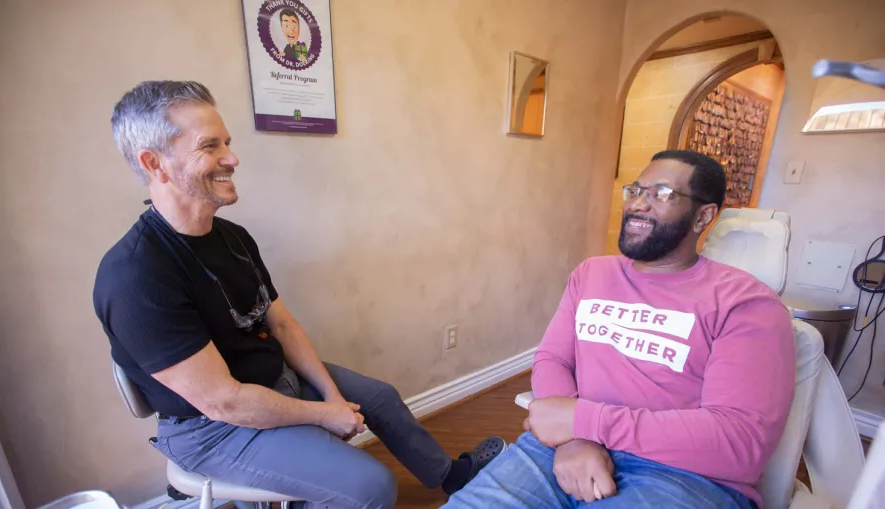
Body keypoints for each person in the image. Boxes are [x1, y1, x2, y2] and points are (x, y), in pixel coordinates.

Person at [93, 81, 505, 509]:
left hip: (273, 379)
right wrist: (327, 415)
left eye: (228, 143)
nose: (232, 158)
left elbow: (282, 324)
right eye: (210, 146)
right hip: (211, 429)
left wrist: (331, 396)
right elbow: (226, 402)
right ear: (154, 163)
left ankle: (452, 477)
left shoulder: (233, 237)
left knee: (378, 396)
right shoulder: (135, 277)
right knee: (372, 487)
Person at [444, 150, 796, 509]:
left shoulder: (746, 303)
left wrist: (584, 422)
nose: (638, 205)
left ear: (702, 216)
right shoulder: (592, 274)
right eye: (635, 190)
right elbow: (553, 359)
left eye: (660, 195)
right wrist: (572, 441)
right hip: (558, 452)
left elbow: (739, 444)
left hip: (681, 475)